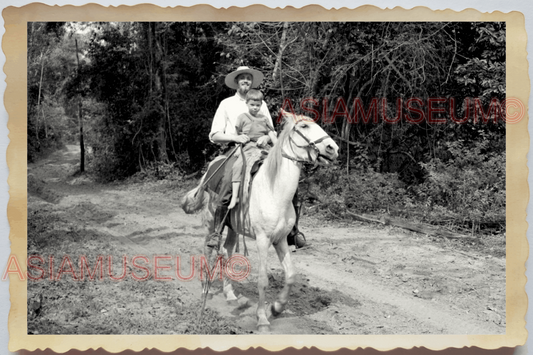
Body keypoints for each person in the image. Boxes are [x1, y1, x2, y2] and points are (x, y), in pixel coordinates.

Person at [228, 89, 278, 209]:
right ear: (247, 103)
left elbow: (271, 133)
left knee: (278, 163)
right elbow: (237, 133)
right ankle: (235, 196)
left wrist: (277, 146)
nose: (255, 108)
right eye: (252, 105)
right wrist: (238, 147)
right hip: (247, 146)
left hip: (263, 147)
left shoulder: (264, 118)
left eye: (258, 105)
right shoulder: (242, 117)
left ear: (261, 104)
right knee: (238, 165)